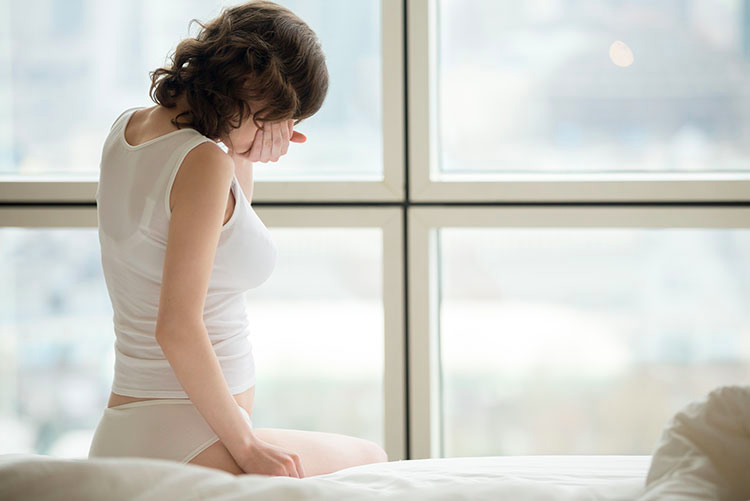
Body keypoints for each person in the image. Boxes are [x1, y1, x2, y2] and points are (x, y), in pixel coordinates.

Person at [87, 0, 388, 478]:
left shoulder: (127, 129)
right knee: (372, 463)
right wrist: (247, 447)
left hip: (135, 425)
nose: (283, 132)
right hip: (184, 434)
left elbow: (224, 233)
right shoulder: (204, 162)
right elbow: (177, 327)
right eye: (282, 115)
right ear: (257, 88)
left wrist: (242, 147)